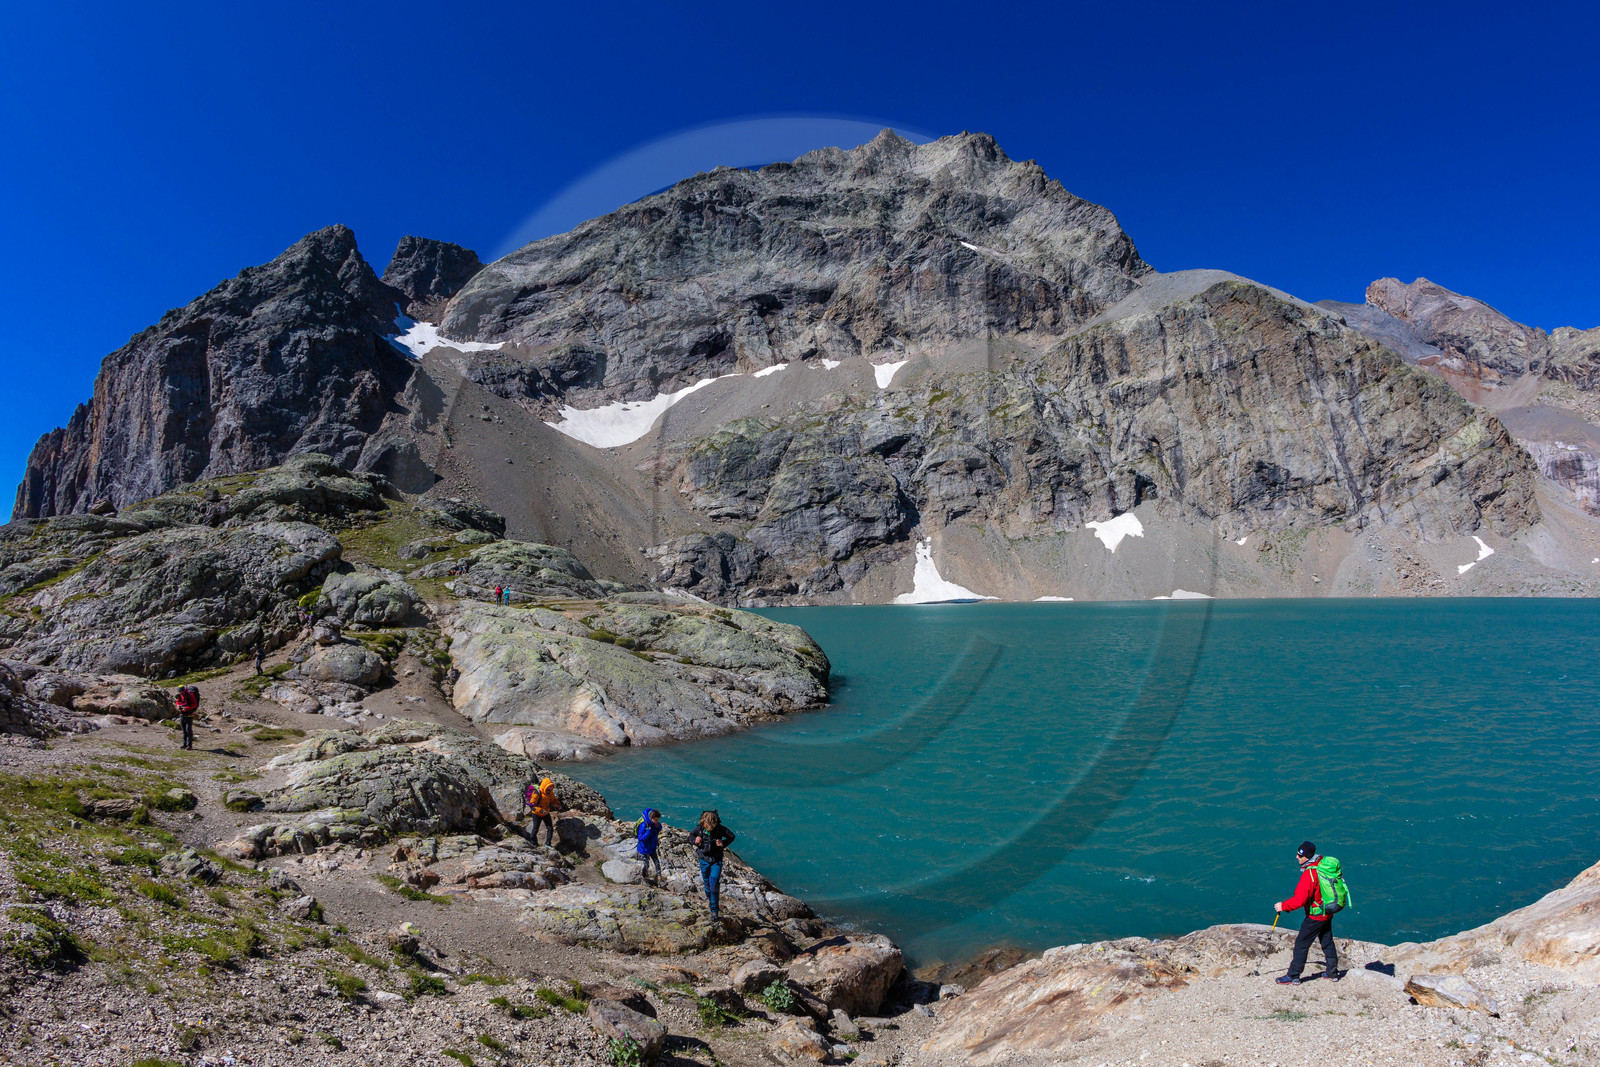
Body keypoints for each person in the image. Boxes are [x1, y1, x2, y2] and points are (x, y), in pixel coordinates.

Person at [1274, 840, 1339, 984]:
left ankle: (1293, 976)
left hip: (1315, 916)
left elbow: (1300, 900)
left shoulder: (1309, 875)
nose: (1296, 857)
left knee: (1301, 945)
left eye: (1299, 855)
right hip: (1327, 911)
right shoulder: (1322, 866)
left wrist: (1283, 906)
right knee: (1327, 942)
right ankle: (1332, 972)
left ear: (1307, 857)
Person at [690, 810, 736, 921]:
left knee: (714, 882)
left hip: (716, 860)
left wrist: (723, 844)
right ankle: (711, 901)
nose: (708, 828)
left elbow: (732, 836)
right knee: (707, 883)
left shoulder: (720, 829)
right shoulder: (700, 829)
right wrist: (695, 840)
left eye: (710, 826)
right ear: (703, 823)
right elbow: (691, 835)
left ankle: (714, 911)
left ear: (714, 824)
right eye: (706, 826)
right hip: (704, 859)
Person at [525, 778, 562, 846]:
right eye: (549, 786)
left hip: (546, 813)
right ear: (545, 786)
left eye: (551, 787)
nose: (550, 788)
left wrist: (558, 804)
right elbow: (532, 806)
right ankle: (532, 841)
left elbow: (553, 799)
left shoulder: (549, 793)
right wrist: (541, 810)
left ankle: (548, 843)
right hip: (537, 813)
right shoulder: (537, 793)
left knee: (550, 828)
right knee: (535, 828)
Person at [636, 808, 663, 883]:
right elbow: (640, 838)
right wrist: (648, 832)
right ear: (651, 818)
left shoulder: (654, 823)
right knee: (646, 864)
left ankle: (659, 879)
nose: (657, 821)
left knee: (657, 863)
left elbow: (659, 828)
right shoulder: (644, 825)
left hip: (652, 847)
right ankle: (643, 878)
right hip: (644, 849)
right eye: (656, 820)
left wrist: (658, 826)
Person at [174, 685, 200, 750]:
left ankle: (189, 745)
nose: (179, 692)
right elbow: (177, 702)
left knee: (188, 730)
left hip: (189, 715)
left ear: (183, 690)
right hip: (182, 714)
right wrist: (178, 706)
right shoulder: (180, 695)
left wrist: (187, 708)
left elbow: (195, 704)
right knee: (184, 730)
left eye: (180, 691)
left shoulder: (190, 694)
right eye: (178, 691)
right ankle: (184, 744)